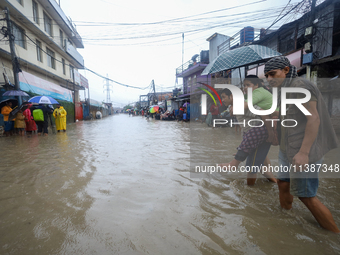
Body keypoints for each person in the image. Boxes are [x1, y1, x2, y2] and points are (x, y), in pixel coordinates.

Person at [264, 56, 339, 233]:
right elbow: (290, 115)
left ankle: (334, 236)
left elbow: (313, 119)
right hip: (287, 149)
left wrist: (304, 153)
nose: (269, 79)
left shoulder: (299, 87)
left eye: (272, 74)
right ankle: (286, 219)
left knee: (306, 196)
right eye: (266, 76)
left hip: (303, 150)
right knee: (283, 183)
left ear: (286, 70)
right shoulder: (286, 89)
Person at [219, 88, 276, 185]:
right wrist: (243, 148)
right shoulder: (235, 107)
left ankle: (250, 192)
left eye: (224, 97)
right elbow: (245, 128)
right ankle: (276, 184)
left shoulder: (244, 105)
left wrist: (271, 133)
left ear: (232, 96)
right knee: (261, 165)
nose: (222, 100)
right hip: (254, 137)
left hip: (258, 134)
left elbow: (263, 113)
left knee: (251, 166)